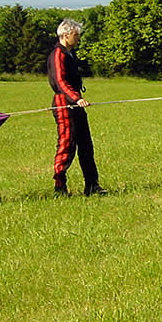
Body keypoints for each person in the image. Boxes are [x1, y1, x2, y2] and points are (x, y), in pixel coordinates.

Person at [47, 19, 106, 197]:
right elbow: (60, 82)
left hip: (76, 106)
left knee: (86, 146)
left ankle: (92, 185)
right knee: (67, 145)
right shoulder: (58, 54)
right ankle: (60, 187)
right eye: (76, 35)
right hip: (64, 105)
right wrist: (76, 98)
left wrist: (77, 100)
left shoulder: (70, 54)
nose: (78, 38)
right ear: (65, 35)